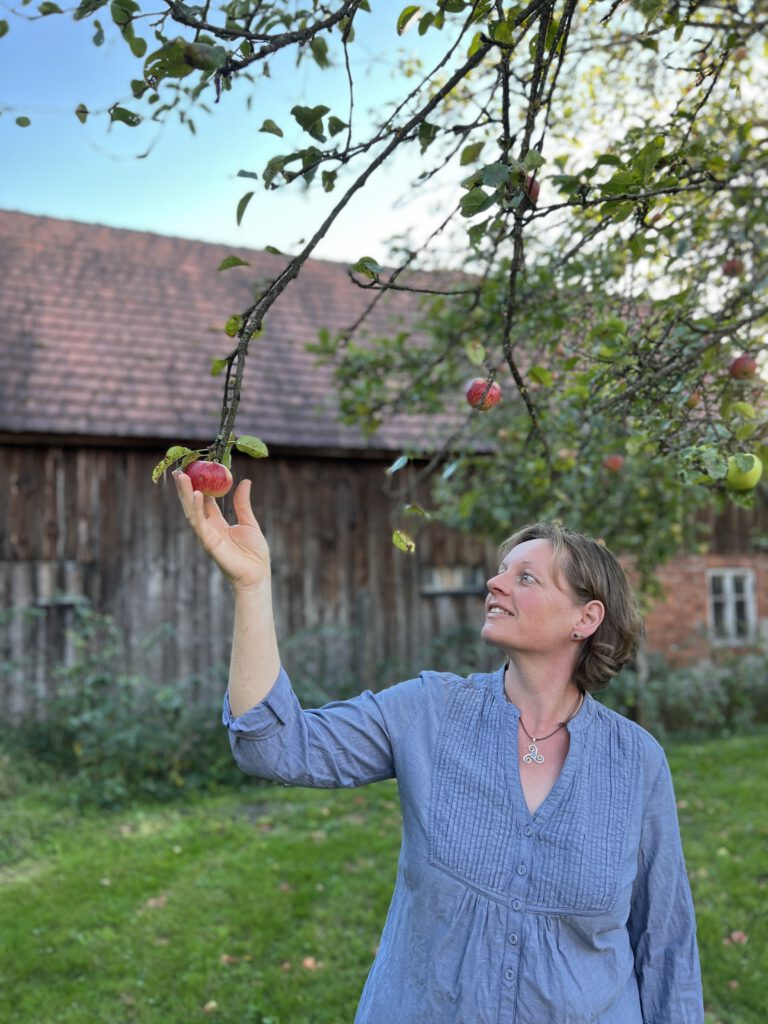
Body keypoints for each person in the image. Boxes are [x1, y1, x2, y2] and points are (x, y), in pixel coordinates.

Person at [173, 470, 705, 1024]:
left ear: (585, 617)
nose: (495, 585)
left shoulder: (637, 762)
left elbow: (665, 944)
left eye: (526, 578)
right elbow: (274, 745)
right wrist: (251, 587)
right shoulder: (428, 711)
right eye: (501, 572)